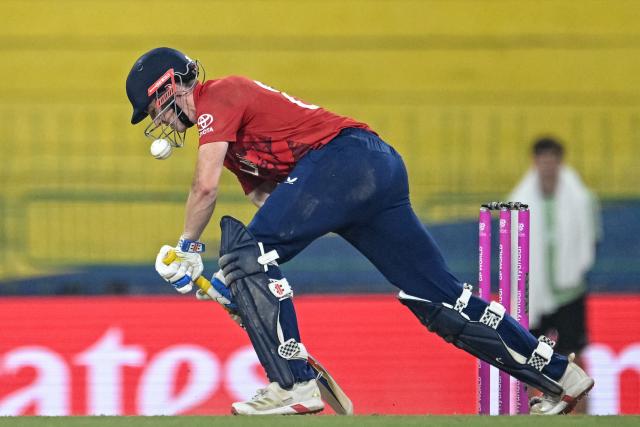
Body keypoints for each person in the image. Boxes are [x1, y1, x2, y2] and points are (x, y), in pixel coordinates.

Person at [126, 47, 594, 416]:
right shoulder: (233, 148)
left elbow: (204, 189)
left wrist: (190, 249)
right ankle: (560, 376)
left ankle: (293, 385)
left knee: (247, 252)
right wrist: (243, 287)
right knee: (437, 299)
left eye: (155, 110)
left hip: (346, 160)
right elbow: (269, 201)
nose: (159, 122)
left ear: (169, 87)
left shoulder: (219, 95)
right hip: (369, 170)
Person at [509, 137, 601, 412]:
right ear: (535, 162)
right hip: (534, 292)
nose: (548, 166)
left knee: (576, 353)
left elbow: (590, 238)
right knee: (526, 355)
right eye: (543, 160)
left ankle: (582, 414)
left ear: (559, 163)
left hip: (568, 290)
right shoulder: (520, 199)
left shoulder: (580, 198)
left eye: (552, 161)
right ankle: (528, 411)